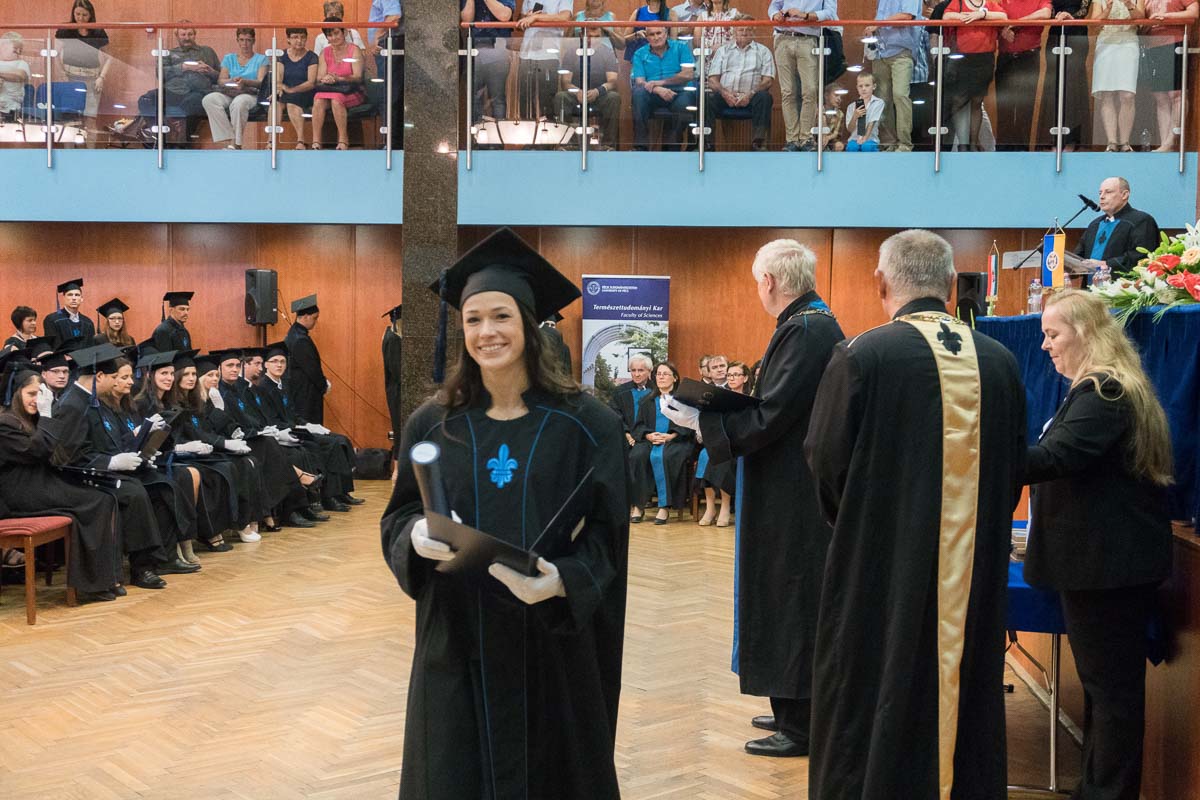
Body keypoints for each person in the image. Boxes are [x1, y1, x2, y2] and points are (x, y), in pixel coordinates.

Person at [380, 227, 628, 800]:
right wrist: (413, 535)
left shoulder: (587, 425)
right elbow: (400, 513)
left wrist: (562, 580)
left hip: (547, 639)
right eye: (473, 319)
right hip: (456, 635)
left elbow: (608, 534)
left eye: (501, 316)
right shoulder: (432, 424)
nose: (486, 332)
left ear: (529, 324)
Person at [802, 230, 1025, 797]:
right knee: (966, 685)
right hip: (973, 572)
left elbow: (824, 461)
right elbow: (1014, 466)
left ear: (880, 282)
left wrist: (859, 524)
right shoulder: (1000, 362)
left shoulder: (861, 355)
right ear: (951, 284)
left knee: (869, 683)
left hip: (879, 566)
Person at [662, 239, 844, 757]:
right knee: (782, 592)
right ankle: (789, 705)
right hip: (786, 482)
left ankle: (800, 722)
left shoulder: (805, 330)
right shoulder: (808, 323)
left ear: (768, 281)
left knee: (789, 595)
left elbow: (773, 414)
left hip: (792, 489)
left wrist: (705, 422)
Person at [1024, 289, 1173, 800]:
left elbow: (1056, 458)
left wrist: (984, 451)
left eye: (1053, 334)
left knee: (1112, 696)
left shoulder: (1105, 393)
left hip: (1107, 568)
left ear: (1085, 333)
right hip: (1103, 565)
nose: (1045, 345)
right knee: (1103, 691)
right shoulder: (1100, 387)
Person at [53, 342, 194, 590]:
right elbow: (69, 457)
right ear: (99, 376)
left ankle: (162, 558)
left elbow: (111, 439)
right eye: (114, 378)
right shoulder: (72, 404)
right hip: (83, 477)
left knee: (161, 485)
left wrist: (140, 451)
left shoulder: (94, 401)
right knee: (135, 492)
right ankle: (142, 568)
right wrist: (111, 462)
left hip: (106, 469)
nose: (117, 383)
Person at [0, 354, 124, 601]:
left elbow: (57, 452)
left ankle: (103, 579)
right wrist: (47, 417)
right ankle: (91, 585)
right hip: (19, 494)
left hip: (41, 485)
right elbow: (35, 452)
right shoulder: (5, 424)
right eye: (31, 394)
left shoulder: (32, 420)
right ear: (16, 395)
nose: (36, 400)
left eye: (40, 394)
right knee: (96, 502)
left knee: (104, 497)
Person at [253, 341, 363, 510]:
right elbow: (271, 419)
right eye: (274, 361)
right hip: (284, 432)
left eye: (282, 362)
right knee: (330, 444)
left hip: (295, 426)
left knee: (340, 440)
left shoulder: (283, 384)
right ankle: (328, 496)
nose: (279, 365)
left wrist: (308, 424)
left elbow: (293, 413)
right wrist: (299, 427)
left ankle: (342, 491)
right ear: (266, 365)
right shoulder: (263, 387)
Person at [629, 361, 695, 524]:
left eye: (665, 374)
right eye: (658, 374)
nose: (661, 377)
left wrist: (671, 436)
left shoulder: (684, 401)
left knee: (667, 456)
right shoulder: (647, 401)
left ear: (675, 378)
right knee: (637, 456)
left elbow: (690, 425)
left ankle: (664, 506)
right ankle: (638, 505)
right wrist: (648, 435)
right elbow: (638, 426)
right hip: (651, 441)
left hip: (677, 441)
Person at [768, 0, 838, 152]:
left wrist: (805, 15)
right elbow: (774, 5)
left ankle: (806, 138)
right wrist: (775, 15)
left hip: (808, 39)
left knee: (810, 91)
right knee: (787, 92)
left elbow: (830, 13)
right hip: (783, 37)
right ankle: (792, 140)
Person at [134, 24, 220, 145]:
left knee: (192, 104)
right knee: (145, 100)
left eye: (190, 34)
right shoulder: (168, 54)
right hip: (172, 91)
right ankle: (161, 136)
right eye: (183, 34)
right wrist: (183, 67)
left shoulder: (207, 51)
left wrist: (210, 71)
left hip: (198, 92)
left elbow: (220, 78)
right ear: (177, 36)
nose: (187, 38)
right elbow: (160, 73)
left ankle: (183, 143)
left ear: (195, 35)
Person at [554, 0, 624, 147]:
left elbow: (612, 81)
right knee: (561, 97)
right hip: (577, 94)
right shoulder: (571, 52)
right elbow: (565, 82)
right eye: (589, 36)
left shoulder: (607, 52)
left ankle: (608, 145)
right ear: (582, 36)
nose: (593, 40)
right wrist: (577, 92)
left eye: (597, 37)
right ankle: (569, 144)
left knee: (614, 98)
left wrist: (598, 91)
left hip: (600, 95)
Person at [942, 0, 1007, 150]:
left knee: (977, 101)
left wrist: (982, 14)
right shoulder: (958, 2)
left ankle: (973, 143)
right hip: (962, 58)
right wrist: (965, 16)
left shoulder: (989, 3)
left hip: (985, 59)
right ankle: (963, 144)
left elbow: (1003, 16)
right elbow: (947, 16)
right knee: (959, 100)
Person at [705, 20, 775, 151]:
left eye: (748, 29)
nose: (744, 33)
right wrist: (725, 93)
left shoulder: (763, 51)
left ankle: (758, 144)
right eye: (740, 30)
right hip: (726, 96)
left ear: (753, 32)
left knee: (765, 97)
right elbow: (712, 80)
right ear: (734, 32)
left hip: (752, 97)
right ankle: (706, 144)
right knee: (706, 98)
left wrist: (750, 94)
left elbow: (768, 81)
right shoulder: (723, 51)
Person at [994, 0, 1051, 151]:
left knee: (1025, 107)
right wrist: (1003, 30)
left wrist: (1015, 24)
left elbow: (1046, 13)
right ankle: (1003, 150)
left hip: (1028, 57)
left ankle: (1022, 150)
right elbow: (995, 16)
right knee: (1004, 106)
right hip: (1005, 57)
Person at [1074, 176, 1161, 274]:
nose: (1102, 196)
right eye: (1100, 193)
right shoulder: (1095, 224)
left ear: (1124, 195)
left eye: (1108, 192)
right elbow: (1079, 255)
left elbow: (1142, 256)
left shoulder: (1141, 221)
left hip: (1122, 283)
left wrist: (1106, 264)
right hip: (1089, 283)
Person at [865, 0, 921, 152]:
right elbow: (880, 17)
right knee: (881, 99)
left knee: (900, 95)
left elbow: (906, 16)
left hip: (901, 52)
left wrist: (878, 24)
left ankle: (905, 143)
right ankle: (889, 142)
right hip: (880, 52)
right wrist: (872, 28)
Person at [53, 0, 110, 145]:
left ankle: (90, 154)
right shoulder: (65, 30)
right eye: (77, 14)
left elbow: (110, 57)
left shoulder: (98, 31)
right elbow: (54, 54)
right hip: (70, 78)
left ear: (91, 15)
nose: (81, 18)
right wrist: (62, 74)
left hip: (92, 79)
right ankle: (69, 153)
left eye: (85, 15)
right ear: (73, 13)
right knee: (70, 119)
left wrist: (101, 77)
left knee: (90, 119)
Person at [1091, 0, 1145, 151]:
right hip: (1106, 43)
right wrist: (1107, 9)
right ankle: (1112, 142)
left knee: (1127, 95)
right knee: (1107, 94)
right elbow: (1094, 23)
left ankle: (1125, 142)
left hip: (1128, 42)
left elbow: (1142, 21)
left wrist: (1129, 4)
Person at [1143, 0, 1198, 151]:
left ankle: (1171, 140)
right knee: (1160, 96)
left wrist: (1167, 16)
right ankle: (1164, 143)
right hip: (1153, 45)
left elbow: (1194, 12)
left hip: (1175, 43)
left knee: (1176, 94)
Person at [201, 28, 268, 150]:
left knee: (239, 103)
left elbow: (260, 82)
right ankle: (227, 137)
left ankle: (235, 143)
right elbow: (221, 80)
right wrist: (232, 81)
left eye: (248, 40)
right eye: (241, 40)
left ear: (253, 41)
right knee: (209, 100)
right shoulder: (229, 58)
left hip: (250, 94)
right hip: (230, 92)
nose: (245, 44)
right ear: (237, 41)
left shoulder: (261, 59)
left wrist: (245, 82)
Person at [631, 27, 696, 151]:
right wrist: (657, 89)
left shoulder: (681, 47)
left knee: (685, 102)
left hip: (678, 90)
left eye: (659, 33)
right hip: (652, 92)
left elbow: (688, 74)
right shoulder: (639, 53)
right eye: (652, 34)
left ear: (666, 34)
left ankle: (672, 148)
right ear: (647, 37)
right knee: (638, 94)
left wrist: (662, 83)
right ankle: (640, 147)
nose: (656, 37)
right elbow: (639, 81)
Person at [1037, 0, 1090, 150]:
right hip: (1055, 32)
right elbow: (1047, 7)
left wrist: (1069, 15)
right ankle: (1053, 140)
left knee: (1073, 87)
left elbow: (1084, 9)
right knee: (1053, 85)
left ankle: (1072, 140)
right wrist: (1056, 15)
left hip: (1077, 34)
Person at [311, 18, 365, 150]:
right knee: (318, 99)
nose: (333, 38)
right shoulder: (325, 52)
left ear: (344, 32)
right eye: (330, 35)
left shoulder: (354, 50)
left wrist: (338, 78)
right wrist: (327, 78)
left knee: (336, 100)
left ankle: (343, 139)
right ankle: (316, 141)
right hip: (329, 90)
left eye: (336, 33)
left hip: (351, 90)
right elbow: (319, 77)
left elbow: (357, 76)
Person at [516, 0, 573, 122]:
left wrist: (536, 17)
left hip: (548, 55)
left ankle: (548, 134)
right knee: (524, 103)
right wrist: (528, 17)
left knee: (547, 102)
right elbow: (520, 22)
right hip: (526, 54)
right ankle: (528, 134)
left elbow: (564, 17)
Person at [462, 0, 516, 122]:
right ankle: (475, 130)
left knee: (497, 98)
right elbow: (466, 19)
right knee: (473, 96)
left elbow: (504, 15)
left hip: (497, 51)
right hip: (474, 50)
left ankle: (498, 131)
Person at [284, 294, 329, 425]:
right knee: (310, 427)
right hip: (305, 394)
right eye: (314, 318)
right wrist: (324, 385)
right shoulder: (300, 340)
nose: (315, 322)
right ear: (305, 317)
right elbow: (312, 369)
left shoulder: (294, 333)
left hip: (300, 390)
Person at [367, 0, 404, 148]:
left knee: (389, 94)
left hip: (388, 43)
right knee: (391, 93)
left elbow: (394, 16)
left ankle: (391, 143)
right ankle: (392, 141)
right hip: (390, 43)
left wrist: (377, 36)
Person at [277, 28, 318, 149]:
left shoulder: (312, 57)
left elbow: (311, 82)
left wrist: (291, 90)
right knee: (275, 104)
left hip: (305, 91)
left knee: (291, 103)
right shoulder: (281, 55)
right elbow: (278, 78)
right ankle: (271, 141)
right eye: (295, 37)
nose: (299, 40)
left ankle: (301, 141)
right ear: (288, 39)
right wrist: (280, 88)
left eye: (302, 37)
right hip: (286, 91)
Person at [44, 278, 96, 349]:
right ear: (64, 298)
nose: (74, 298)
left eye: (77, 295)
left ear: (81, 299)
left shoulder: (88, 322)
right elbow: (53, 347)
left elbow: (91, 347)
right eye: (70, 295)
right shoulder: (52, 320)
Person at [622, 0, 675, 64]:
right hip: (638, 59)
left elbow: (673, 42)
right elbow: (624, 39)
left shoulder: (671, 14)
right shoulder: (638, 12)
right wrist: (636, 35)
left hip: (660, 59)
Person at [382, 303, 404, 455]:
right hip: (398, 393)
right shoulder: (393, 339)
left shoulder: (391, 335)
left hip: (397, 391)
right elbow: (397, 371)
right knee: (400, 432)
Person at [844, 72, 885, 151]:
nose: (863, 89)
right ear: (857, 88)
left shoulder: (878, 102)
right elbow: (850, 129)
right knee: (851, 147)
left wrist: (864, 139)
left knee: (866, 147)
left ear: (874, 86)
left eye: (867, 85)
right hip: (854, 139)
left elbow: (871, 122)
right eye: (860, 86)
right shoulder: (851, 106)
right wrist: (854, 117)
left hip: (871, 139)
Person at [0, 32, 31, 123]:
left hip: (10, 110)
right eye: (15, 49)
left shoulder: (21, 63)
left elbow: (20, 75)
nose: (18, 52)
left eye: (20, 50)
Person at [822, 82, 846, 151]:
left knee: (839, 145)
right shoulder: (818, 110)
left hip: (831, 141)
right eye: (836, 95)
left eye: (840, 97)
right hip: (816, 139)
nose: (839, 99)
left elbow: (836, 133)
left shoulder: (840, 114)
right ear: (826, 96)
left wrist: (827, 138)